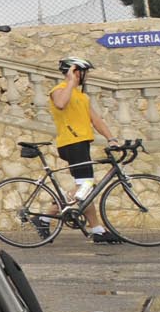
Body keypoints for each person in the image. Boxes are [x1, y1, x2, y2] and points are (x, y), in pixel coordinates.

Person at [50, 57, 122, 243]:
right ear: (75, 71)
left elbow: (96, 120)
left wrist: (111, 139)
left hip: (81, 143)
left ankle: (94, 229)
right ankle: (95, 229)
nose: (86, 76)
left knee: (85, 187)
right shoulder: (58, 90)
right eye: (84, 72)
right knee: (86, 186)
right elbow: (60, 104)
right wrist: (70, 81)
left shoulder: (82, 96)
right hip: (71, 143)